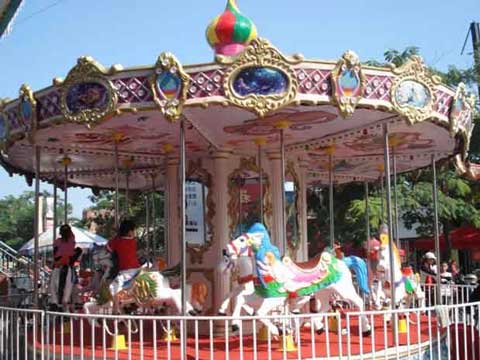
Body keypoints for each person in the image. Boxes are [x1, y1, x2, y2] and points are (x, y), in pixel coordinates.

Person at [107, 219, 141, 304]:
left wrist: (115, 236)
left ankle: (116, 310)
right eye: (134, 230)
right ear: (129, 231)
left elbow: (108, 248)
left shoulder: (117, 241)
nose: (134, 233)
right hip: (137, 269)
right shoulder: (133, 241)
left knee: (113, 287)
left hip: (127, 271)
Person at [49, 224, 82, 311]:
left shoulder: (58, 241)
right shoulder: (71, 240)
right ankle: (64, 300)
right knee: (68, 285)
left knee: (52, 284)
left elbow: (55, 254)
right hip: (66, 265)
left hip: (59, 265)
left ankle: (54, 301)